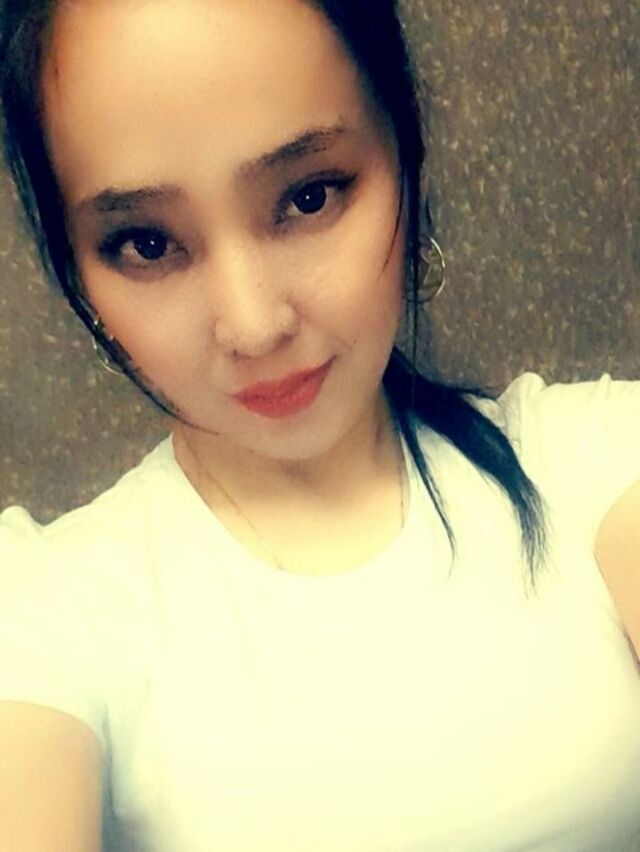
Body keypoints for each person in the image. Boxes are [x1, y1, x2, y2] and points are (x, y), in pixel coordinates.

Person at [0, 0, 639, 850]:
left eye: (308, 196)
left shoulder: (595, 462)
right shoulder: (47, 610)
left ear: (405, 158)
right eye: (147, 244)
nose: (253, 324)